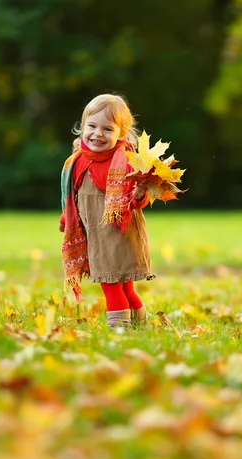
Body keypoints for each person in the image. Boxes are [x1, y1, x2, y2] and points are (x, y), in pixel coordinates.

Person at [59, 93, 154, 328]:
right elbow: (73, 197)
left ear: (121, 134)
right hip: (95, 235)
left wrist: (140, 193)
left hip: (118, 234)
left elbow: (134, 201)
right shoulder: (76, 161)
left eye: (107, 129)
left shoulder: (124, 162)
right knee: (122, 286)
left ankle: (120, 330)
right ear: (82, 127)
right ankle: (141, 326)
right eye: (92, 126)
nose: (98, 134)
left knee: (113, 286)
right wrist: (66, 219)